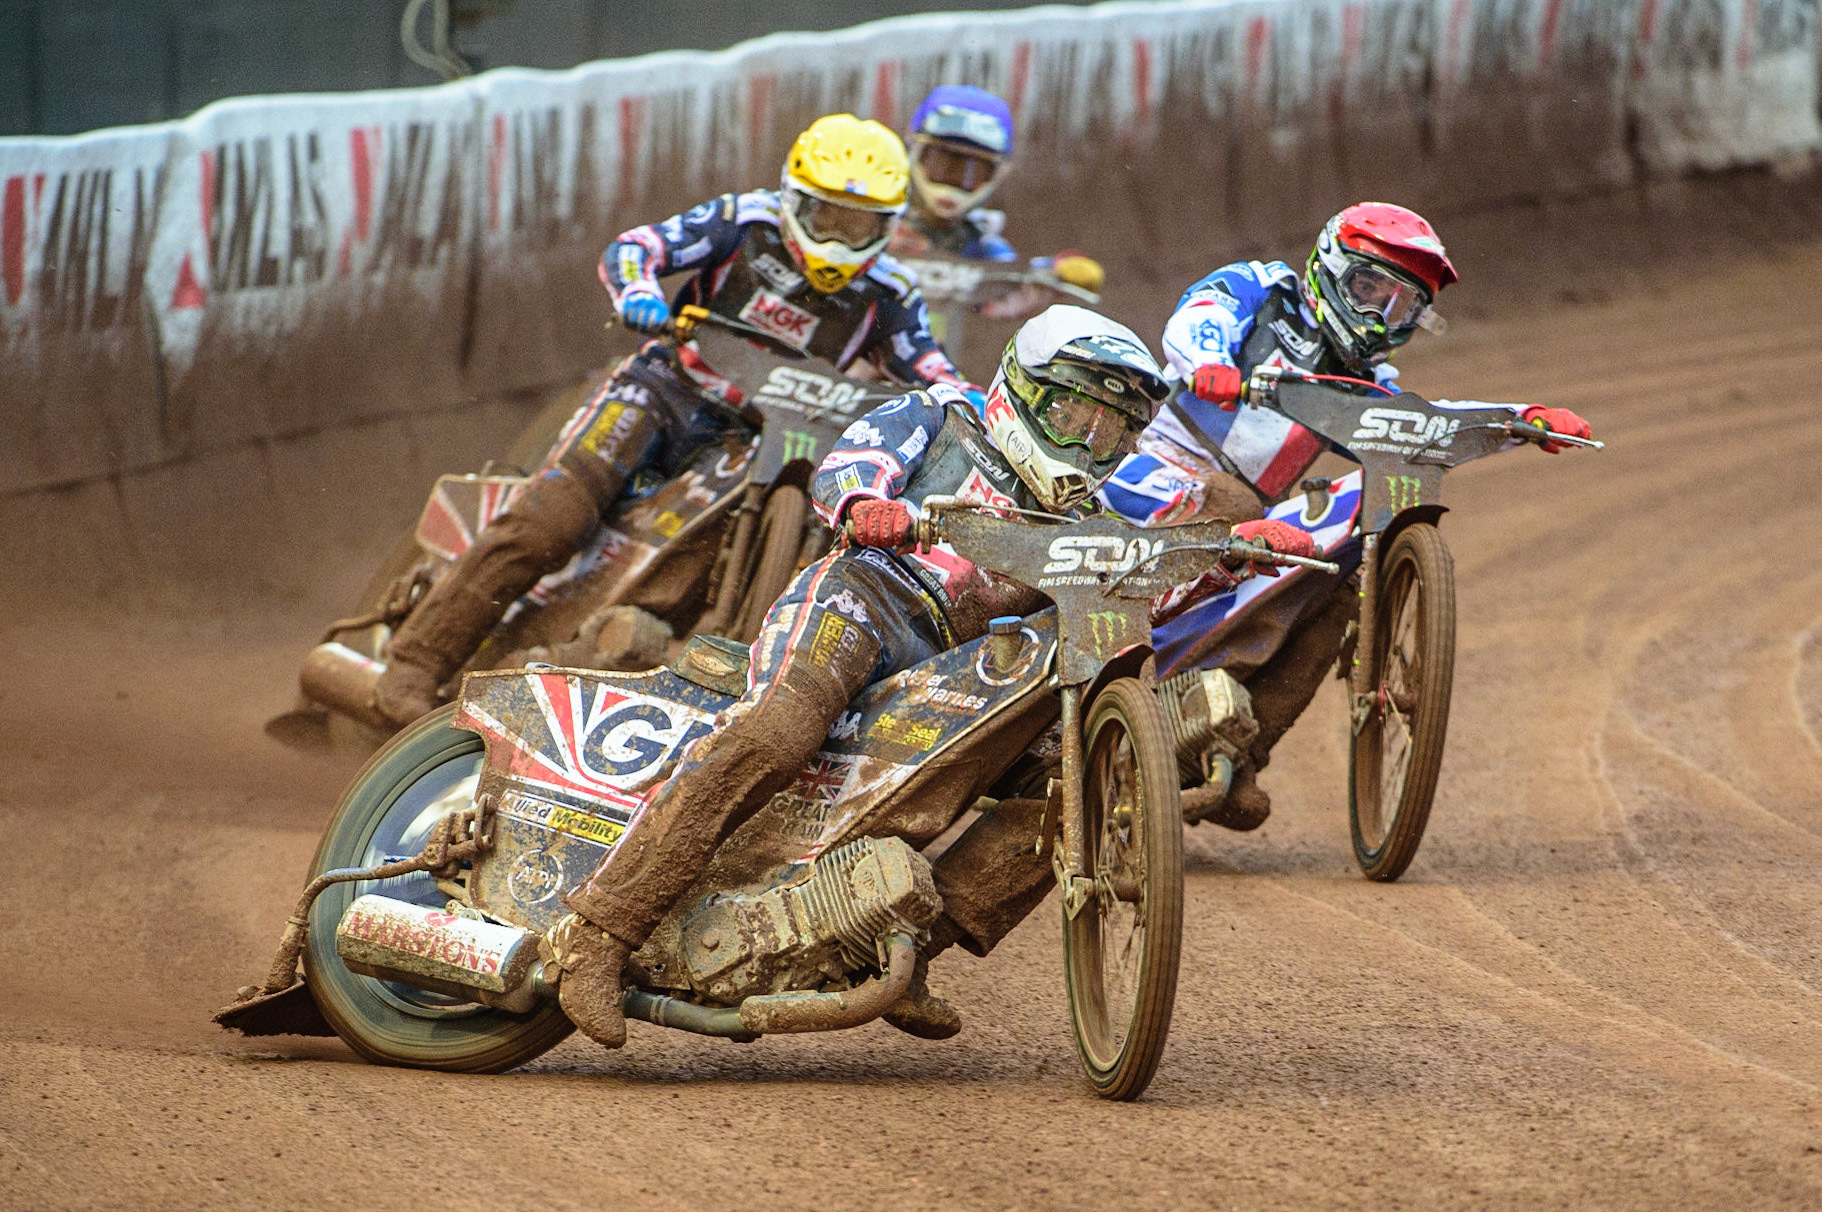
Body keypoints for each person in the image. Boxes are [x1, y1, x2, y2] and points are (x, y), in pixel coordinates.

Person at [545, 305, 1304, 1049]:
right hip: (865, 598)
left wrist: (1229, 553)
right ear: (1023, 389)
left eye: (1111, 432)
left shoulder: (1090, 518)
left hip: (958, 667)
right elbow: (850, 462)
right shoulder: (943, 415)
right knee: (776, 733)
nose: (1088, 443)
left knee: (1071, 785)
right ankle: (601, 931)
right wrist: (869, 503)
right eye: (1074, 415)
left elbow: (1146, 585)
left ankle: (910, 951)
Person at [370, 113, 971, 728]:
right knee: (557, 517)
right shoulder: (746, 222)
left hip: (765, 435)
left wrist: (969, 403)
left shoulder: (890, 292)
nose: (840, 241)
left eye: (860, 225)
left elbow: (928, 365)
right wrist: (640, 294)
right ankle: (414, 666)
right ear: (795, 199)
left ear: (889, 224)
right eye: (828, 218)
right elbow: (639, 248)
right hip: (666, 391)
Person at [1098, 202, 1594, 827]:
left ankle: (1222, 747)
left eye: (1400, 306)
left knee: (1334, 588)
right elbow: (1198, 318)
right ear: (1331, 266)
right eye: (1369, 289)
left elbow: (1422, 420)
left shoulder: (1364, 379)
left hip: (1244, 516)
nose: (1378, 315)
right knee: (1235, 506)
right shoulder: (1261, 288)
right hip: (1144, 471)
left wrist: (1518, 419)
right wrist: (1211, 367)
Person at [889, 84, 1105, 324]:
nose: (955, 181)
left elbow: (1011, 275)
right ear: (914, 150)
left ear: (997, 174)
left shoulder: (976, 240)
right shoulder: (880, 216)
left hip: (923, 353)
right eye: (942, 164)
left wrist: (1057, 271)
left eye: (973, 172)